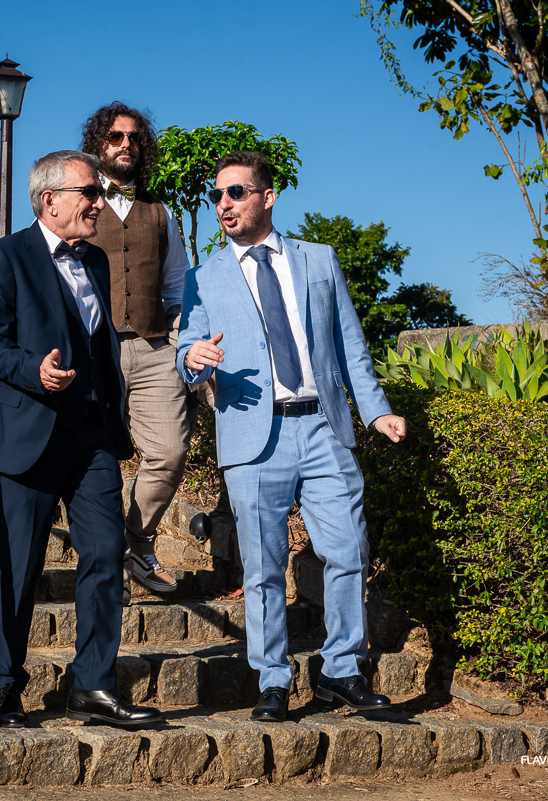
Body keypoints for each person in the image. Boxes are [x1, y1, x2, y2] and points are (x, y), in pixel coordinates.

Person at [176, 151, 408, 723]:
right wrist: (194, 359)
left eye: (236, 193)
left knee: (348, 550)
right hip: (254, 436)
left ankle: (342, 670)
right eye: (217, 196)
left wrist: (375, 411)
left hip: (325, 427)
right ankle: (273, 679)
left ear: (267, 196)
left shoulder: (320, 261)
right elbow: (185, 349)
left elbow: (350, 342)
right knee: (263, 567)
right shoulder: (203, 278)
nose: (224, 205)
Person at [0, 150, 162, 729]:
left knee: (106, 553)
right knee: (21, 564)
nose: (99, 204)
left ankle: (93, 687)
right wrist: (36, 371)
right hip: (28, 432)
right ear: (49, 199)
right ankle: (6, 687)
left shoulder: (98, 262)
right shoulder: (4, 257)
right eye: (90, 193)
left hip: (93, 435)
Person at [80, 102, 193, 602]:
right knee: (92, 458)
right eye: (115, 137)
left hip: (152, 346)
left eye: (134, 138)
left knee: (170, 451)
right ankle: (104, 562)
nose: (126, 145)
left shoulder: (161, 212)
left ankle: (137, 545)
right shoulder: (79, 205)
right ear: (99, 144)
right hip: (93, 351)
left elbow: (176, 289)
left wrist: (181, 343)